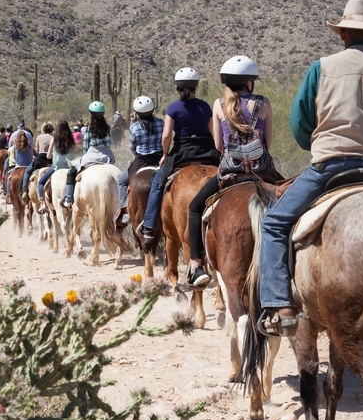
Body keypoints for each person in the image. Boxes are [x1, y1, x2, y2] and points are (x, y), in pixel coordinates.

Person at [256, 0, 363, 337]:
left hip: (330, 169)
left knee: (274, 224)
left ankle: (280, 306)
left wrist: (315, 144)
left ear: (342, 34)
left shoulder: (321, 68)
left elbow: (299, 123)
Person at [185, 56, 281, 288]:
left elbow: (219, 146)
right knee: (293, 198)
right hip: (262, 171)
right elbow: (268, 142)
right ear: (250, 81)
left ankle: (196, 264)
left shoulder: (219, 104)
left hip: (230, 172)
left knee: (195, 207)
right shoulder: (264, 104)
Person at [138, 68, 218, 240]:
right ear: (196, 87)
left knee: (158, 183)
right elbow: (211, 129)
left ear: (178, 89)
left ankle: (149, 225)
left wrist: (165, 154)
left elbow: (167, 135)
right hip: (207, 150)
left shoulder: (173, 108)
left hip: (182, 152)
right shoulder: (205, 106)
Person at [116, 95, 164, 227]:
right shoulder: (161, 122)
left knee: (121, 181)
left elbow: (133, 147)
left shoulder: (134, 127)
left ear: (136, 113)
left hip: (141, 161)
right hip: (160, 159)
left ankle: (124, 211)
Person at [61, 101, 115, 208]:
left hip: (92, 154)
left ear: (91, 114)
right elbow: (110, 142)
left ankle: (68, 198)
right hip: (107, 155)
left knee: (71, 173)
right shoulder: (108, 128)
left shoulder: (87, 129)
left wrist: (86, 157)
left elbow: (85, 148)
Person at [37, 120, 76, 212]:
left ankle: (43, 204)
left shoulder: (54, 138)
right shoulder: (71, 139)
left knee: (41, 182)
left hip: (56, 167)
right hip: (69, 168)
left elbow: (48, 156)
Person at [20, 122, 55, 200]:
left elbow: (37, 151)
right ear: (52, 129)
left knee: (27, 171)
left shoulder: (39, 137)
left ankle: (25, 190)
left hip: (40, 159)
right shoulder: (53, 137)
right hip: (50, 160)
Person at [3, 130, 35, 201]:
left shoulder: (15, 147)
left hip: (18, 166)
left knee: (9, 178)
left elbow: (14, 157)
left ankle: (8, 194)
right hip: (28, 166)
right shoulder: (29, 146)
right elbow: (31, 155)